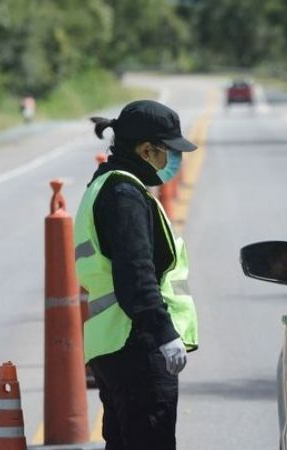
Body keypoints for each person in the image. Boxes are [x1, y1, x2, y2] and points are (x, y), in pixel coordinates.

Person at [73, 100, 199, 450]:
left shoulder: (104, 186)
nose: (175, 161)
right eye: (169, 152)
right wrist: (163, 331)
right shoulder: (124, 195)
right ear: (146, 150)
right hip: (136, 344)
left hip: (111, 345)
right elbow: (136, 273)